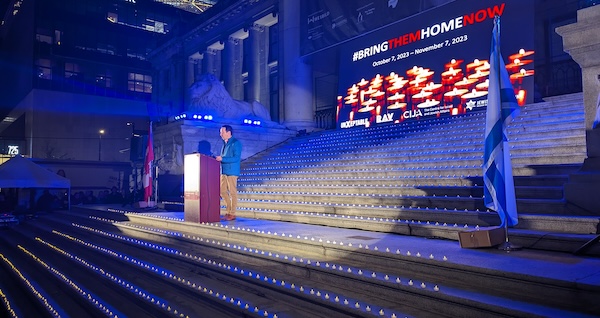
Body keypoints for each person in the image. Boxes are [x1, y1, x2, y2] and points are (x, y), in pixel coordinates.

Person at [216, 125, 242, 221]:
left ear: (228, 132)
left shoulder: (236, 143)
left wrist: (223, 159)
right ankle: (228, 210)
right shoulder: (224, 144)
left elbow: (236, 158)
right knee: (222, 191)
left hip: (232, 171)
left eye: (222, 132)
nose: (220, 134)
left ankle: (232, 213)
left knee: (232, 192)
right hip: (224, 171)